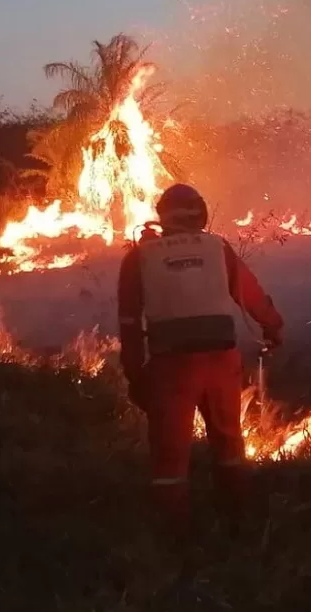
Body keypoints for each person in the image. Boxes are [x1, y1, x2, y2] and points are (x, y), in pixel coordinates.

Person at [117, 183, 284, 540]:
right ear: (202, 215)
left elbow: (130, 323)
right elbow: (252, 296)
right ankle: (239, 524)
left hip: (171, 369)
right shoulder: (217, 248)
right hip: (222, 361)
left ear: (162, 217)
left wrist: (136, 377)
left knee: (170, 455)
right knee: (228, 443)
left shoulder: (138, 258)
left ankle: (174, 539)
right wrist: (273, 327)